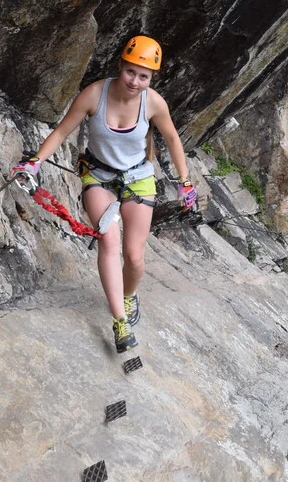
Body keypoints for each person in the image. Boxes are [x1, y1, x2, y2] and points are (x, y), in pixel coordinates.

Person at [11, 35, 196, 354]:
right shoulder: (95, 94)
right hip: (98, 176)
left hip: (138, 178)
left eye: (144, 76)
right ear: (120, 65)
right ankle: (120, 322)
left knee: (135, 257)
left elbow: (173, 140)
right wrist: (35, 163)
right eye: (130, 72)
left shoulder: (153, 103)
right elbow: (61, 131)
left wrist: (185, 181)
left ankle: (128, 294)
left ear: (151, 79)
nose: (135, 81)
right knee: (109, 242)